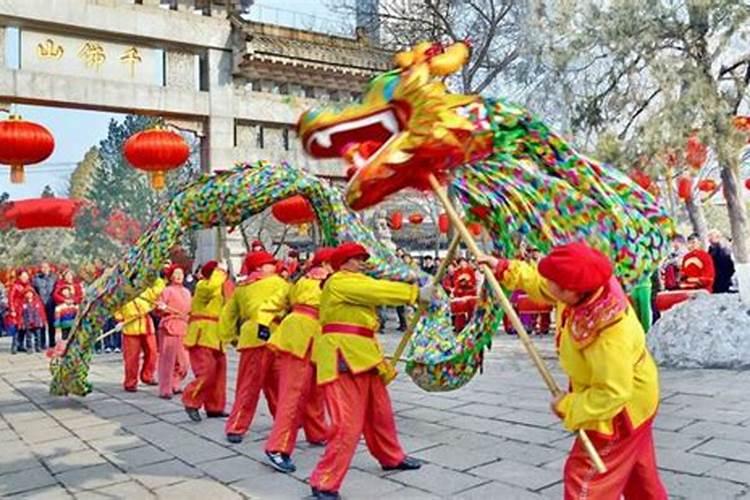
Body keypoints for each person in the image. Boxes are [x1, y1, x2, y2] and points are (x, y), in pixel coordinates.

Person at [479, 242, 667, 499]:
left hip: (619, 412)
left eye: (555, 283)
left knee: (585, 480)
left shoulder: (610, 333)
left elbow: (612, 392)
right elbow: (544, 284)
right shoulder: (585, 287)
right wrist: (504, 269)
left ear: (572, 291)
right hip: (635, 399)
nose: (549, 286)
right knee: (638, 472)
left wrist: (569, 406)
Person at [308, 242, 430, 500]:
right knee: (346, 423)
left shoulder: (353, 280)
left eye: (363, 258)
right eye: (356, 258)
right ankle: (324, 483)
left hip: (364, 354)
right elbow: (375, 291)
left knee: (380, 413)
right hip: (342, 354)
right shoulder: (340, 281)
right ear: (343, 263)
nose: (362, 262)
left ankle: (391, 457)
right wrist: (414, 293)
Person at [264, 247, 333, 473]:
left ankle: (317, 432)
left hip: (305, 335)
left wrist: (262, 322)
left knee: (314, 390)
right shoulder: (326, 282)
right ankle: (278, 447)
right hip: (305, 335)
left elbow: (276, 302)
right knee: (293, 394)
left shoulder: (300, 281)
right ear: (326, 265)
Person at [220, 251, 290, 444]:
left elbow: (228, 315)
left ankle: (237, 425)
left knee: (248, 384)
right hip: (276, 336)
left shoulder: (241, 288)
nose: (274, 266)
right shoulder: (279, 283)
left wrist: (231, 337)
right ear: (259, 267)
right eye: (270, 264)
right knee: (277, 384)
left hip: (251, 337)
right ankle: (282, 422)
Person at [183, 261, 230, 421]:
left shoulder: (222, 288)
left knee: (219, 373)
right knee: (206, 372)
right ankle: (191, 400)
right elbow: (211, 288)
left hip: (217, 335)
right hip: (202, 334)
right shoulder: (203, 285)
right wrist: (220, 270)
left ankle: (215, 407)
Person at [115, 277, 165, 392]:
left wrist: (152, 273)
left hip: (147, 325)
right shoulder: (121, 295)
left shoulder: (145, 292)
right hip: (130, 327)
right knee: (131, 357)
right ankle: (130, 382)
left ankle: (147, 376)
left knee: (152, 352)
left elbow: (158, 288)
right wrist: (119, 320)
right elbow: (116, 309)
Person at [156, 265, 192, 399]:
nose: (179, 276)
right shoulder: (166, 291)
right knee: (167, 360)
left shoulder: (187, 292)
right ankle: (165, 388)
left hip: (183, 326)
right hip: (169, 327)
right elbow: (158, 309)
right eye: (176, 273)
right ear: (170, 276)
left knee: (184, 362)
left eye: (181, 273)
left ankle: (175, 382)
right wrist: (162, 307)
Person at [32, 262, 57, 349]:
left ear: (49, 268)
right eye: (43, 267)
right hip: (40, 302)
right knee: (41, 323)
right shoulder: (36, 278)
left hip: (51, 302)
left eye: (46, 267)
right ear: (40, 269)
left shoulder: (54, 277)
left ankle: (52, 342)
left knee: (52, 323)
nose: (45, 269)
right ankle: (42, 343)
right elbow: (33, 290)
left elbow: (57, 289)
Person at [708, 229, 735, 294]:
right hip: (715, 280)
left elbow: (729, 266)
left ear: (718, 237)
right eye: (709, 237)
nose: (709, 239)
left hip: (722, 280)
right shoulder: (711, 249)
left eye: (711, 237)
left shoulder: (723, 249)